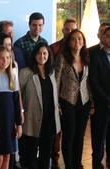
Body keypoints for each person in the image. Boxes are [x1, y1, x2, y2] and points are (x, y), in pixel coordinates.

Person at [54, 29, 92, 169]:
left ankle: (77, 164)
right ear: (69, 42)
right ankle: (69, 165)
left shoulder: (87, 57)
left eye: (80, 39)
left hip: (84, 101)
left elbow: (89, 82)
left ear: (83, 42)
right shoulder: (63, 58)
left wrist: (91, 103)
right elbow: (56, 82)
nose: (77, 41)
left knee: (80, 136)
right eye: (74, 39)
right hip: (67, 101)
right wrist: (56, 103)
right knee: (69, 136)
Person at [19, 43, 61, 169]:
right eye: (39, 53)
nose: (42, 56)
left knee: (46, 153)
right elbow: (18, 94)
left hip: (50, 119)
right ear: (34, 55)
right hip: (32, 118)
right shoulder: (26, 72)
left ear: (49, 55)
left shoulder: (51, 72)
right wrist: (20, 111)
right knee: (30, 154)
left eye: (45, 53)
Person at [49, 18, 77, 169]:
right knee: (57, 132)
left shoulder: (80, 49)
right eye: (67, 29)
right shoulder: (54, 48)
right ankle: (54, 159)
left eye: (73, 29)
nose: (70, 32)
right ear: (63, 31)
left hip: (74, 98)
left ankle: (72, 160)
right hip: (58, 97)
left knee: (72, 133)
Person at [89, 26, 110, 169]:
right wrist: (107, 99)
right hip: (101, 104)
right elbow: (93, 81)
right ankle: (97, 163)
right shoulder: (94, 54)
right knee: (98, 137)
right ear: (102, 36)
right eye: (108, 35)